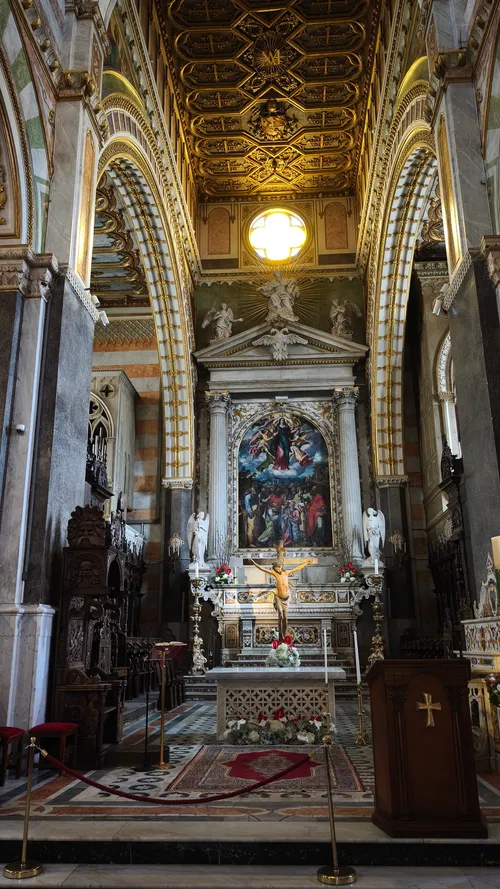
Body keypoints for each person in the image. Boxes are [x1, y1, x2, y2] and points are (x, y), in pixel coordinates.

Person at [249, 556, 315, 641]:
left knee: (285, 617)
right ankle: (280, 635)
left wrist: (306, 562)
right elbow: (262, 569)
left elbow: (298, 568)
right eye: (276, 569)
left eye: (278, 569)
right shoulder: (275, 574)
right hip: (278, 598)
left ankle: (284, 633)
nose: (278, 570)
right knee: (280, 615)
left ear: (281, 567)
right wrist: (254, 562)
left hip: (286, 599)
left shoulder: (286, 573)